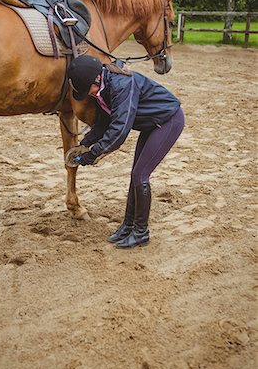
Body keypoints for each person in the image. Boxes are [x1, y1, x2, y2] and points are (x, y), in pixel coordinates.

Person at [68, 55, 185, 249]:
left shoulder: (122, 85)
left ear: (96, 79)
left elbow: (119, 131)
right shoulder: (104, 87)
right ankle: (128, 225)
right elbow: (104, 122)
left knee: (140, 175)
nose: (87, 94)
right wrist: (85, 143)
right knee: (135, 175)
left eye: (86, 90)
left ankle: (141, 232)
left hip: (168, 121)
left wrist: (92, 154)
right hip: (150, 124)